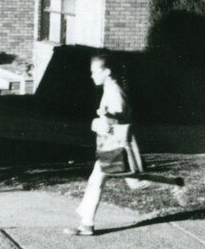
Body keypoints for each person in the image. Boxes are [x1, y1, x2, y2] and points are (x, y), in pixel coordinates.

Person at [64, 53, 151, 236]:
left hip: (117, 146)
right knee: (120, 182)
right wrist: (103, 115)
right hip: (112, 145)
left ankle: (176, 184)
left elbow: (119, 118)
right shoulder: (109, 88)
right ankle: (86, 224)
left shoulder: (115, 91)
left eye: (95, 71)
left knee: (112, 182)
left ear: (107, 71)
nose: (91, 75)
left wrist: (102, 118)